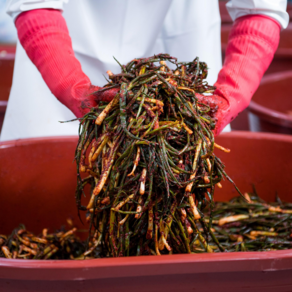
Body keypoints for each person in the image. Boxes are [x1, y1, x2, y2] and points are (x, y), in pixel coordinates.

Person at [0, 0, 288, 141]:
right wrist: (69, 85)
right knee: (41, 184)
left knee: (185, 172)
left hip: (182, 23)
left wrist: (232, 93)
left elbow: (259, 8)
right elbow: (33, 2)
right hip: (66, 28)